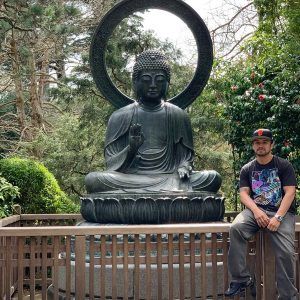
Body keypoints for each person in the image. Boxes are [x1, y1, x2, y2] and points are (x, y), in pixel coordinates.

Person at [85, 50, 221, 193]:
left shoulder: (178, 115)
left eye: (160, 80)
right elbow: (111, 165)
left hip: (170, 178)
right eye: (146, 80)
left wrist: (184, 167)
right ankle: (166, 195)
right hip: (132, 180)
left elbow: (185, 158)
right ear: (135, 82)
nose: (153, 85)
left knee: (212, 178)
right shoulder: (120, 116)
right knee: (93, 180)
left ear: (168, 83)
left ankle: (154, 194)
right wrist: (131, 148)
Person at [225, 128, 298, 299]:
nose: (261, 145)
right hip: (256, 211)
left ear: (271, 144)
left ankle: (288, 295)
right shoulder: (247, 168)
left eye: (265, 142)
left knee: (286, 252)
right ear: (253, 146)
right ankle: (240, 278)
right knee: (236, 228)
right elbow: (244, 193)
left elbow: (290, 192)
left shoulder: (283, 165)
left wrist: (278, 217)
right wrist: (257, 212)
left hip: (282, 212)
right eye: (257, 143)